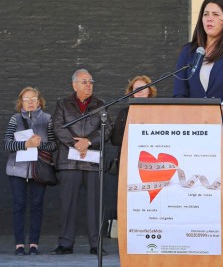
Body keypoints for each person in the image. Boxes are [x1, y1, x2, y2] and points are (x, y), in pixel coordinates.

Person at [173, 0, 223, 256]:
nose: (210, 18)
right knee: (191, 193)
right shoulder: (189, 51)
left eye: (216, 14)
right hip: (192, 134)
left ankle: (220, 257)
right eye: (206, 13)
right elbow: (179, 91)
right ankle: (193, 252)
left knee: (221, 198)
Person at [50, 69, 112, 255]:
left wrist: (89, 141)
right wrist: (76, 144)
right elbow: (57, 127)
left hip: (92, 162)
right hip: (69, 161)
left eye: (91, 82)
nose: (88, 85)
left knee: (95, 205)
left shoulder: (100, 105)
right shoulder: (63, 104)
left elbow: (107, 129)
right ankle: (65, 244)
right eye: (84, 82)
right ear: (74, 85)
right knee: (68, 204)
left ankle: (96, 244)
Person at [3, 87, 57, 255]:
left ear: (39, 101)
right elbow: (7, 144)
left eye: (34, 98)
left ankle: (34, 244)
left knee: (36, 206)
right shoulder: (15, 119)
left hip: (38, 170)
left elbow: (54, 145)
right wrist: (26, 145)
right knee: (19, 206)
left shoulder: (48, 119)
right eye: (27, 99)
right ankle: (19, 244)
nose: (31, 102)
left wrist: (40, 144)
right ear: (21, 103)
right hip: (17, 171)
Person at [111, 75, 157, 147]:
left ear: (149, 91)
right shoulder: (124, 113)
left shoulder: (157, 112)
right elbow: (115, 140)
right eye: (136, 88)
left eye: (143, 88)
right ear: (132, 92)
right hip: (127, 154)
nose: (139, 91)